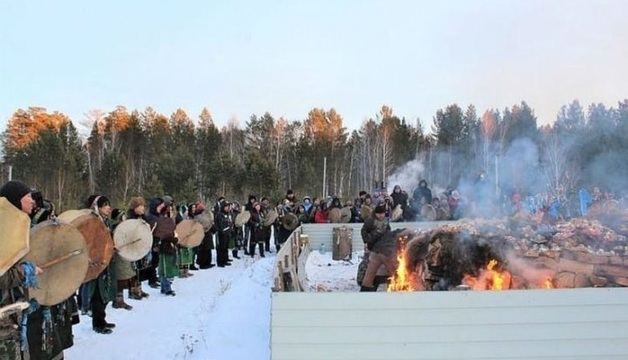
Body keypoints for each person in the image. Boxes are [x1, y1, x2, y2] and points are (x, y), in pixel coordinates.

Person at [0, 180, 44, 359]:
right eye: (28, 197)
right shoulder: (4, 230)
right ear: (16, 200)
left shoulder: (14, 225)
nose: (32, 201)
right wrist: (25, 271)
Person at [82, 195, 117, 334]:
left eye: (109, 205)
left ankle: (102, 318)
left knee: (105, 292)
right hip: (95, 262)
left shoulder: (105, 221)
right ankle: (98, 323)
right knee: (97, 293)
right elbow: (89, 242)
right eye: (105, 205)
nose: (109, 208)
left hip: (105, 260)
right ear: (97, 206)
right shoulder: (91, 222)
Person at [359, 203, 397, 292]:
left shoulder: (386, 222)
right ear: (376, 213)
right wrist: (366, 241)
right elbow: (363, 231)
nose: (381, 216)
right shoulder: (370, 221)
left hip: (383, 247)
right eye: (379, 214)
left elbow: (388, 233)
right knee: (368, 265)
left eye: (382, 214)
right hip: (371, 245)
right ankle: (365, 282)